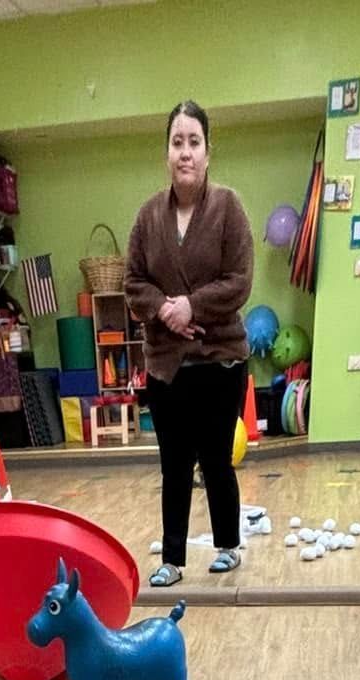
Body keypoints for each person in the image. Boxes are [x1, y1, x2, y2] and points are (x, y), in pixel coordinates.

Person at [125, 101, 255, 588]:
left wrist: (192, 307)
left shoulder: (228, 207)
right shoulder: (147, 217)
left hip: (219, 359)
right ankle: (173, 558)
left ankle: (227, 546)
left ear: (207, 151)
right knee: (174, 464)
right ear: (167, 152)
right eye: (177, 142)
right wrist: (164, 309)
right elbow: (133, 282)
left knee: (216, 459)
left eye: (193, 142)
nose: (185, 152)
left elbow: (239, 281)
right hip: (167, 365)